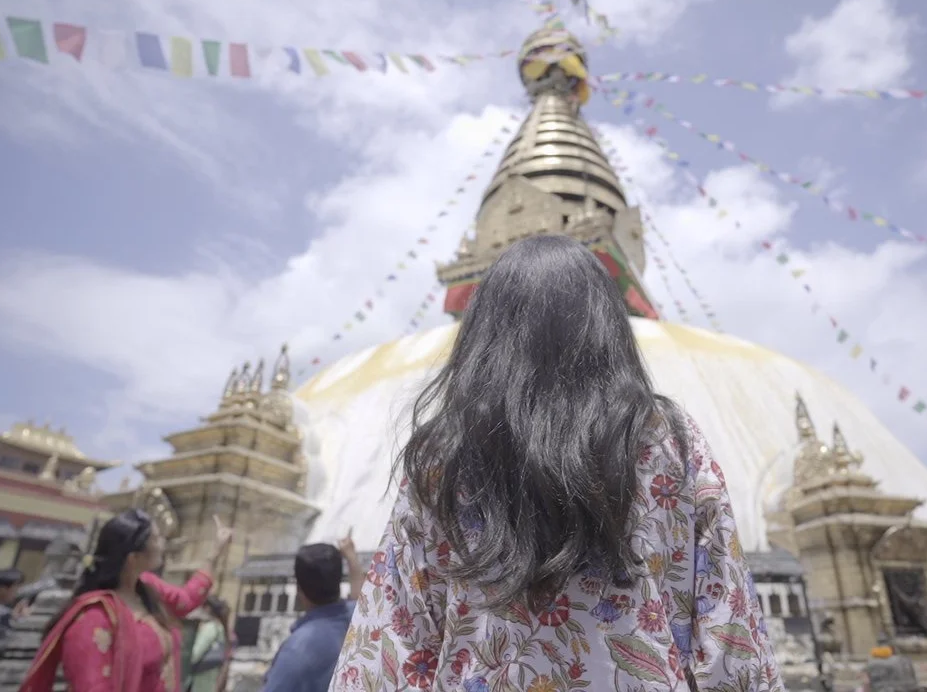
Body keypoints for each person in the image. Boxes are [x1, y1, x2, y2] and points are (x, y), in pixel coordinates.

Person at [330, 235, 785, 691]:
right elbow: (728, 627)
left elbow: (391, 644)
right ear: (606, 323)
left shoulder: (442, 454)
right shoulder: (667, 437)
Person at [18, 509, 233, 692]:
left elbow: (187, 600)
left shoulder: (147, 588)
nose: (163, 543)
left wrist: (215, 552)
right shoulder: (95, 617)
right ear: (134, 558)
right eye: (156, 538)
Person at [262, 530, 363, 692]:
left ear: (299, 589)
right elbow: (361, 598)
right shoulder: (359, 622)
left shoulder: (298, 650)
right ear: (338, 581)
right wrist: (351, 557)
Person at [187, 597, 232, 692]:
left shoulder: (211, 628)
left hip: (201, 681)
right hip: (211, 680)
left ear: (207, 608)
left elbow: (194, 654)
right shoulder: (220, 627)